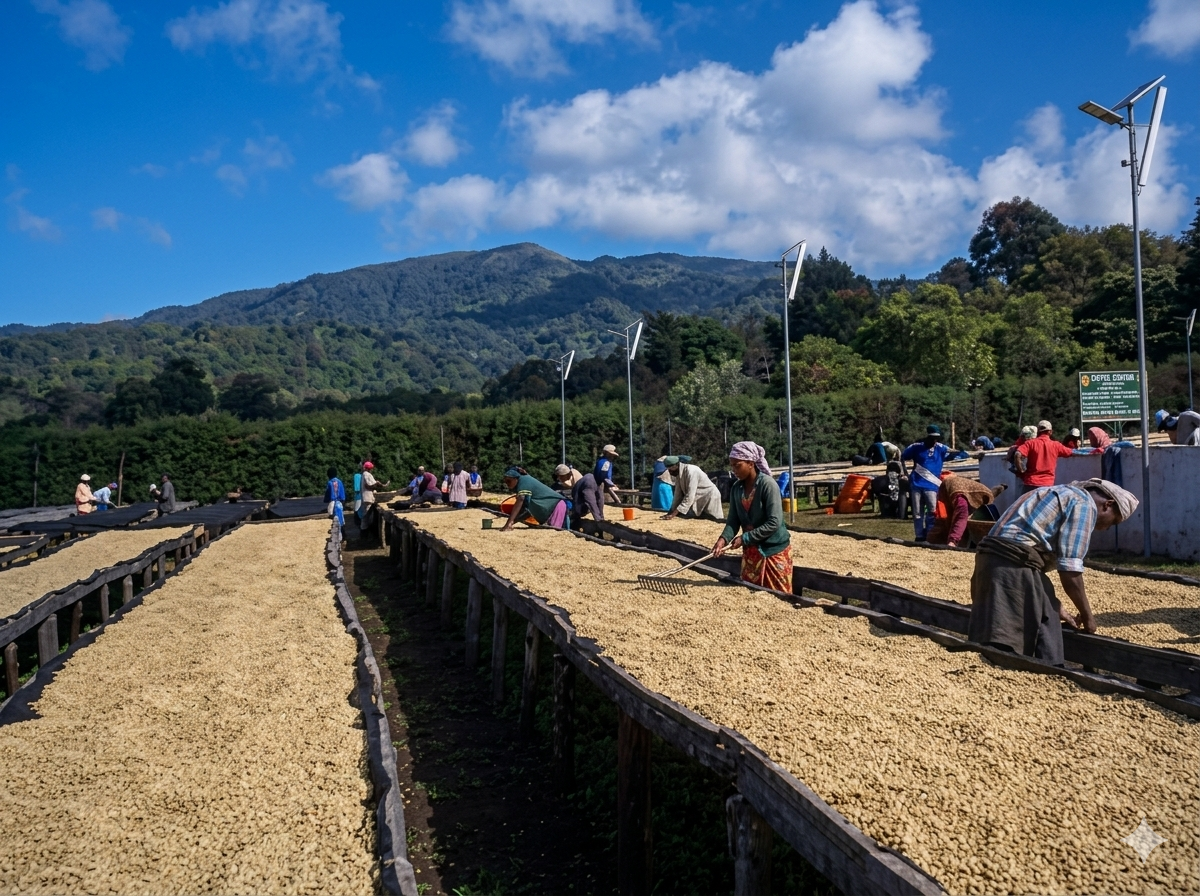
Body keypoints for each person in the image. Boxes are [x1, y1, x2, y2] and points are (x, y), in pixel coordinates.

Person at [968, 479, 1137, 665]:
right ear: (1108, 505)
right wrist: (1088, 617)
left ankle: (1051, 669)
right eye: (1112, 522)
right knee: (1006, 640)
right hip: (1011, 563)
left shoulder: (1054, 492)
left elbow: (1031, 560)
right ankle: (1024, 673)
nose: (1105, 529)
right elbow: (1070, 571)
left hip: (989, 559)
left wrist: (1055, 605)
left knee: (1046, 616)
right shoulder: (1084, 504)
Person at [712, 441, 792, 592]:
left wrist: (745, 538)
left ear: (750, 463)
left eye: (737, 465)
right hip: (752, 553)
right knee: (751, 593)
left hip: (773, 550)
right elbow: (733, 520)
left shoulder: (767, 485)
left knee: (779, 597)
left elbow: (774, 522)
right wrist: (723, 540)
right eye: (732, 465)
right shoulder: (737, 488)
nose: (734, 470)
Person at [901, 425, 968, 542]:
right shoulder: (916, 447)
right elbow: (902, 457)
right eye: (932, 438)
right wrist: (905, 474)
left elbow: (958, 454)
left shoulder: (941, 448)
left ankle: (930, 534)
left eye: (936, 438)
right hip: (916, 483)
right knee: (917, 512)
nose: (934, 441)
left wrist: (972, 454)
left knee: (932, 512)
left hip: (932, 485)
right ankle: (919, 536)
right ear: (927, 436)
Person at [926, 477, 1006, 547]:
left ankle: (955, 541)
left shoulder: (960, 498)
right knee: (950, 520)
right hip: (962, 490)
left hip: (975, 494)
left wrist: (953, 541)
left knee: (963, 520)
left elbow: (961, 517)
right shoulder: (951, 492)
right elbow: (946, 518)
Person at [1014, 420, 1075, 495]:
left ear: (1038, 431)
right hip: (1047, 485)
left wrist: (1021, 471)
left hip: (1030, 483)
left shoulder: (1030, 443)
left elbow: (1017, 454)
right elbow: (1071, 452)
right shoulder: (1056, 445)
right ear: (1050, 432)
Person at [501, 467, 568, 530]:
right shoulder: (522, 484)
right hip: (553, 508)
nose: (507, 484)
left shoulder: (523, 481)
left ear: (516, 479)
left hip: (556, 506)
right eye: (505, 482)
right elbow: (526, 511)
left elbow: (520, 499)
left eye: (509, 481)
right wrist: (512, 522)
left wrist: (509, 523)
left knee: (555, 532)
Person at [663, 456, 724, 522]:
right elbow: (677, 495)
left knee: (715, 521)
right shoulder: (679, 474)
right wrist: (670, 512)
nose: (670, 472)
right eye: (668, 470)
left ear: (676, 465)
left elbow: (689, 496)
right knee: (703, 522)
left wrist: (674, 514)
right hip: (700, 499)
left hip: (710, 497)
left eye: (671, 470)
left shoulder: (691, 471)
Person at [359, 461, 389, 529]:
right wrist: (378, 483)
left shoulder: (364, 474)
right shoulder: (366, 474)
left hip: (366, 498)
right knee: (366, 517)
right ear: (369, 468)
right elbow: (369, 485)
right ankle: (365, 534)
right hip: (367, 498)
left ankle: (365, 532)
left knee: (366, 516)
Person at [325, 468, 347, 538]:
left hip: (332, 503)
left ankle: (336, 535)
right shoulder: (339, 482)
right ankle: (343, 535)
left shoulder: (329, 483)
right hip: (339, 503)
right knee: (340, 519)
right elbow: (342, 493)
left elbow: (327, 493)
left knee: (333, 518)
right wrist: (343, 501)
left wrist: (326, 500)